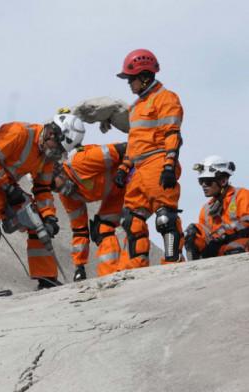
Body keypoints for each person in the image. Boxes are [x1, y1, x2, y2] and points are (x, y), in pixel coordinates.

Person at [0, 110, 84, 291]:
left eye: (61, 152)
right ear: (51, 133)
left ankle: (46, 279)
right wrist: (8, 189)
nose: (56, 153)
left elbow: (42, 188)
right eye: (57, 148)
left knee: (39, 222)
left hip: (5, 184)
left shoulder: (47, 156)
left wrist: (50, 217)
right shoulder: (19, 132)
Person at [112, 49, 185, 269]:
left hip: (158, 162)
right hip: (139, 169)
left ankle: (172, 263)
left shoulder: (166, 98)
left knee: (165, 218)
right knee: (130, 218)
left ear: (144, 76)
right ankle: (137, 267)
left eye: (130, 79)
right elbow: (134, 143)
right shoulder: (135, 107)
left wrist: (169, 164)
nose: (128, 84)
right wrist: (124, 167)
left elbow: (173, 133)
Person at [51, 143, 127, 280]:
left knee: (134, 220)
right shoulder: (68, 196)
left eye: (55, 185)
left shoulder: (81, 162)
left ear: (60, 171)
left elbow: (124, 149)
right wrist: (79, 267)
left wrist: (126, 168)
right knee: (103, 229)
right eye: (54, 189)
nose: (59, 191)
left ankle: (137, 267)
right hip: (116, 194)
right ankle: (111, 276)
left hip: (133, 176)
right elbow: (79, 229)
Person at [184, 156, 249, 259]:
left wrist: (223, 238)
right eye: (201, 181)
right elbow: (204, 238)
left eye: (208, 181)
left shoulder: (241, 195)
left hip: (241, 243)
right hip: (220, 248)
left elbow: (247, 225)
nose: (204, 185)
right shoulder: (206, 210)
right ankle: (196, 266)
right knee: (191, 233)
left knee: (233, 248)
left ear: (223, 181)